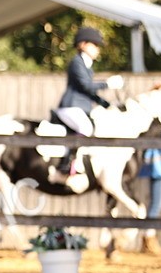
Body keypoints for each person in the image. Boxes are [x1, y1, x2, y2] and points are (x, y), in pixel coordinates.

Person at [52, 26, 124, 181]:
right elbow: (86, 86)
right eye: (94, 45)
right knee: (86, 127)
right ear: (83, 44)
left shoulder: (87, 66)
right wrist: (108, 84)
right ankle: (68, 163)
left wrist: (107, 105)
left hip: (81, 108)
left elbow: (89, 93)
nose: (98, 49)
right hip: (71, 106)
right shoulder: (76, 63)